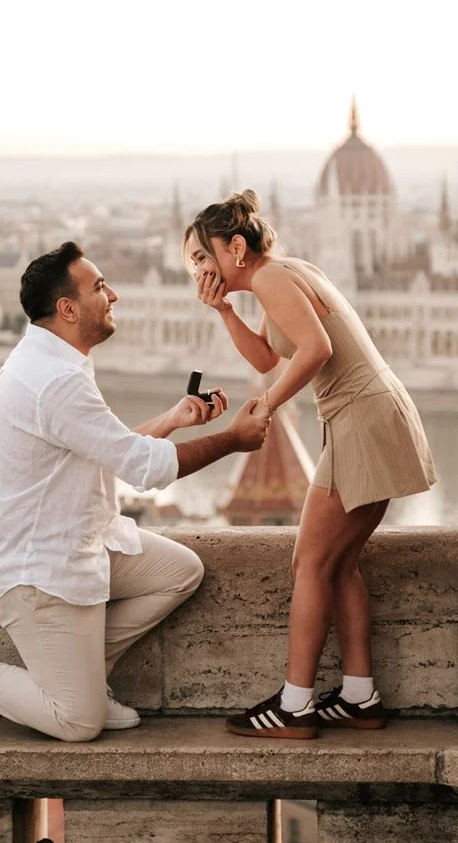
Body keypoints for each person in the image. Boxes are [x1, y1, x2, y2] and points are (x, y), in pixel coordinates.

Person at [0, 239, 271, 743]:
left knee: (180, 572)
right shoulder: (55, 381)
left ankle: (84, 680)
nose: (113, 295)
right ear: (67, 309)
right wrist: (233, 441)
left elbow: (102, 447)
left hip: (76, 541)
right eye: (99, 287)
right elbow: (144, 470)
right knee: (78, 722)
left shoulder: (54, 360)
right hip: (36, 568)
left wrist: (174, 419)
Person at [184, 190, 436, 739]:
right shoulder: (280, 274)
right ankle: (358, 696)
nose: (200, 270)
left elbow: (317, 350)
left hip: (360, 418)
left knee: (309, 564)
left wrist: (270, 404)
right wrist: (223, 309)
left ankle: (295, 705)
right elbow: (267, 357)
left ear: (236, 248)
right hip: (367, 415)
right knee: (338, 563)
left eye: (204, 258)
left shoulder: (273, 279)